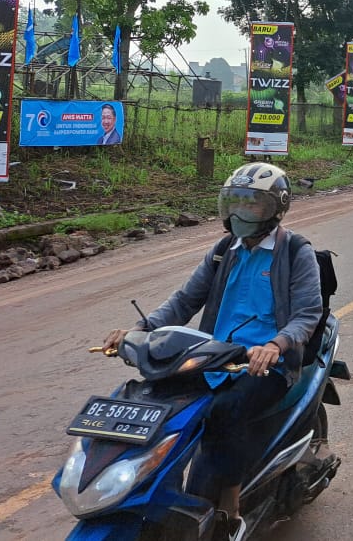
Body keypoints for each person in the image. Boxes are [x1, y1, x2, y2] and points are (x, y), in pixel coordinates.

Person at [102, 163, 322, 541]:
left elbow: (307, 314)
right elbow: (185, 300)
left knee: (224, 412)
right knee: (160, 400)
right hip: (215, 357)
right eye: (233, 203)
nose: (239, 214)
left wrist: (275, 345)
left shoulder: (295, 252)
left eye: (251, 205)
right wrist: (140, 330)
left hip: (266, 364)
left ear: (274, 210)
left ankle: (230, 511)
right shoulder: (224, 250)